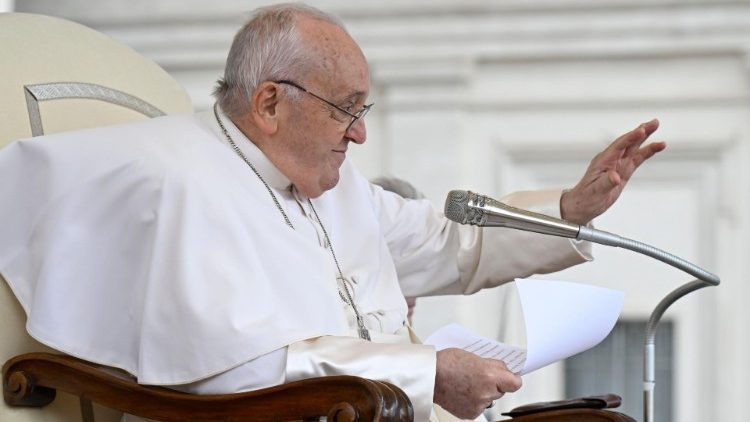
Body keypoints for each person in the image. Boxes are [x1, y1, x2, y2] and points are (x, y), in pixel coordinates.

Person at [0, 3, 665, 421]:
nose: (360, 134)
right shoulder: (181, 184)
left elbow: (447, 244)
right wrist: (429, 375)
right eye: (345, 109)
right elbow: (234, 368)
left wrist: (568, 208)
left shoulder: (332, 184)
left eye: (361, 110)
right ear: (268, 104)